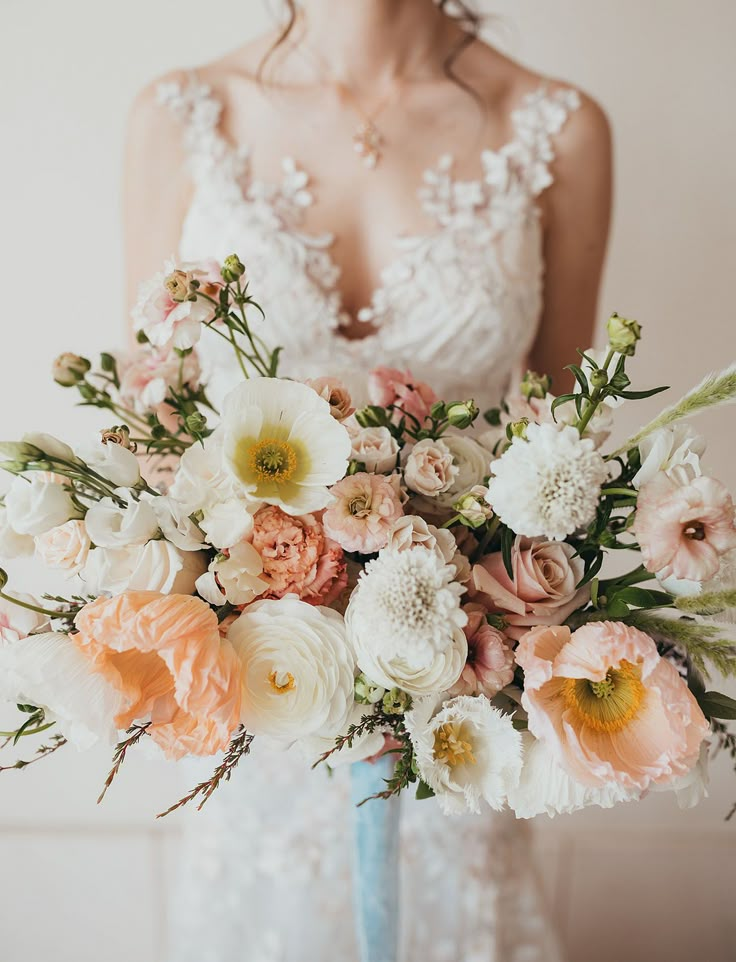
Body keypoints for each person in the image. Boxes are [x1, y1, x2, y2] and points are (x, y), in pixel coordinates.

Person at [125, 2, 612, 959]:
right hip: (257, 716)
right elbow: (151, 433)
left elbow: (564, 458)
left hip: (460, 714)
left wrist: (479, 629)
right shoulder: (180, 114)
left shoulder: (558, 127)